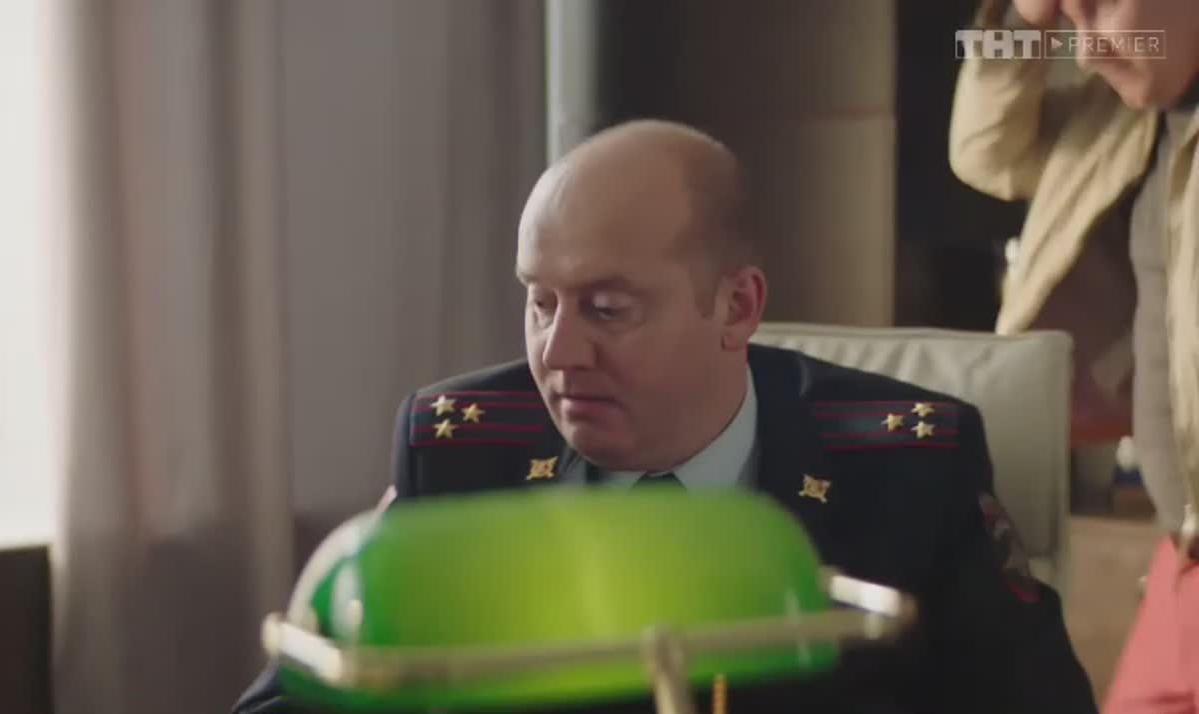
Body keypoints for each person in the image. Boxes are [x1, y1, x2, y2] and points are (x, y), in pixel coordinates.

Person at [234, 119, 1096, 713]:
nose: (558, 353)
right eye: (540, 302)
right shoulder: (459, 450)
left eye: (608, 309)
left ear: (737, 307)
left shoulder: (909, 465)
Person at [949, 1, 1199, 710]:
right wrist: (1022, 18)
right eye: (1068, 17)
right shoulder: (1119, 119)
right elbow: (982, 150)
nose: (1085, 51)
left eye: (1100, 8)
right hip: (1180, 559)